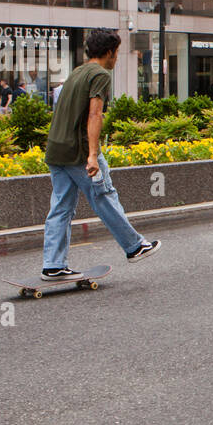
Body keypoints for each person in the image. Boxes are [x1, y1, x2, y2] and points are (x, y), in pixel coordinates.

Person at [40, 29, 160, 281]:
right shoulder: (100, 75)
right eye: (116, 53)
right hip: (80, 152)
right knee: (104, 196)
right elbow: (95, 114)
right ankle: (134, 246)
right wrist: (93, 155)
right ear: (109, 52)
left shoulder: (77, 72)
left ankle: (53, 265)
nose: (116, 59)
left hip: (56, 150)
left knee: (61, 207)